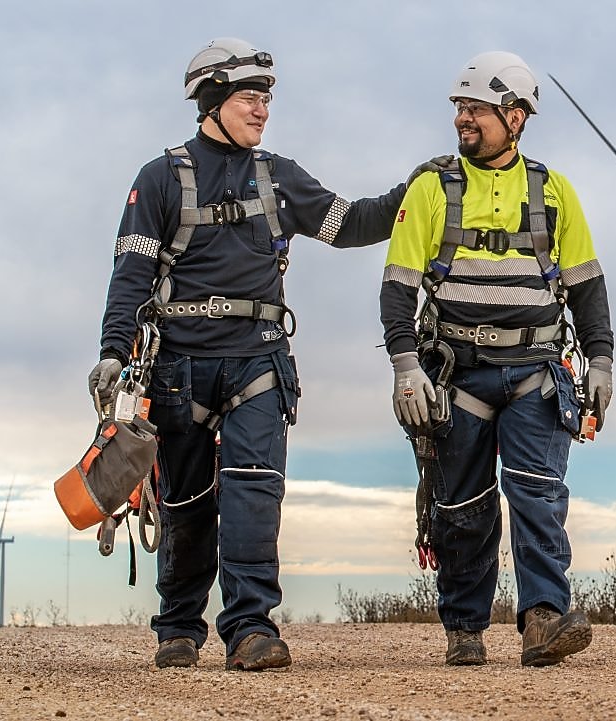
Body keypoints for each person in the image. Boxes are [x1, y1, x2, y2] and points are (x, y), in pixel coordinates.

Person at [88, 37, 449, 671]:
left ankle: (252, 628)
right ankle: (178, 626)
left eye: (266, 98)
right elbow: (130, 277)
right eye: (250, 97)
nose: (262, 110)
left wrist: (411, 191)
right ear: (212, 98)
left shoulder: (279, 176)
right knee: (184, 500)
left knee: (255, 493)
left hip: (258, 362)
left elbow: (350, 224)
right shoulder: (159, 179)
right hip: (177, 369)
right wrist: (114, 352)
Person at [379, 51, 614, 667]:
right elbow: (398, 287)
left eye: (477, 109)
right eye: (460, 108)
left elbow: (587, 286)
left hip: (536, 371)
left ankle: (544, 619)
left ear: (516, 116)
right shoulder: (430, 188)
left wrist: (602, 361)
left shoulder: (554, 191)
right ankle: (464, 627)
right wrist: (406, 366)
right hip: (457, 376)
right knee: (461, 506)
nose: (464, 119)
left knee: (538, 495)